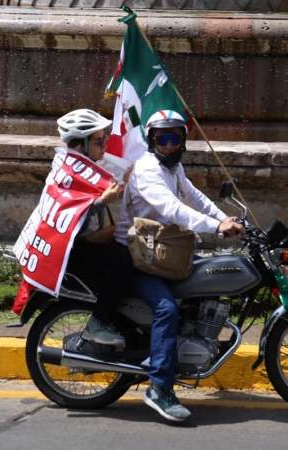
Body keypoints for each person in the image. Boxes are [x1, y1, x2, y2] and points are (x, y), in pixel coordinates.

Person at [115, 109, 244, 422]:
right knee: (166, 309)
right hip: (134, 255)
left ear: (183, 140)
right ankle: (159, 387)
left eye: (175, 137)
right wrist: (215, 228)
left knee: (202, 283)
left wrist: (223, 218)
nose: (170, 144)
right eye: (163, 138)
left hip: (159, 250)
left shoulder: (173, 167)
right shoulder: (147, 170)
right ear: (153, 140)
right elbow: (171, 208)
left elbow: (194, 196)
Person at [56, 109, 133, 348]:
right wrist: (102, 202)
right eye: (99, 142)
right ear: (80, 146)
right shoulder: (67, 172)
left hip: (83, 243)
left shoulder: (85, 169)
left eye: (105, 140)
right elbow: (68, 214)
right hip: (69, 252)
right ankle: (97, 324)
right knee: (122, 261)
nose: (105, 147)